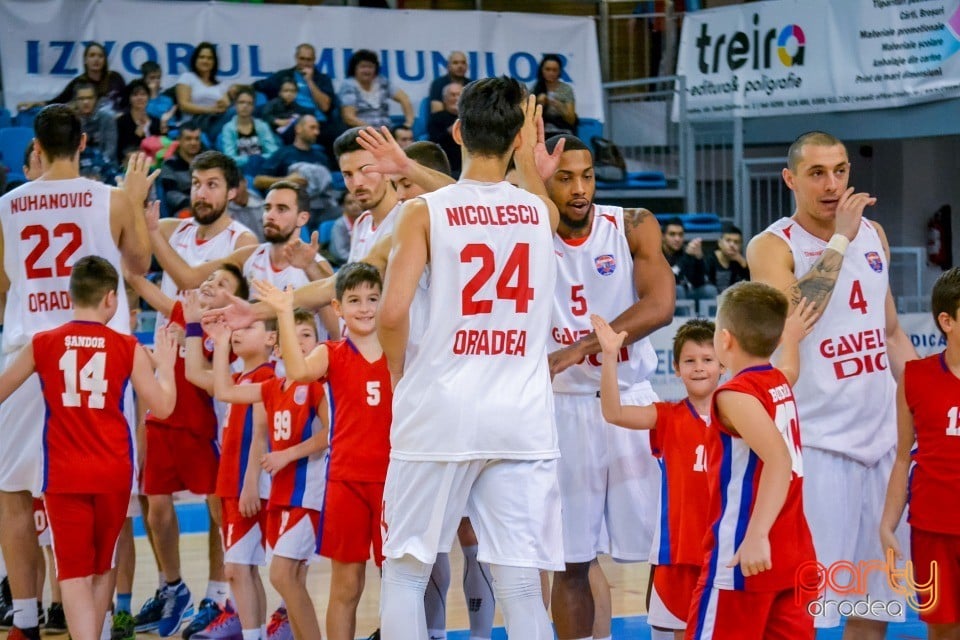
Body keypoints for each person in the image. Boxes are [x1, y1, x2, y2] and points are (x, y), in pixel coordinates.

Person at [377, 78, 562, 639]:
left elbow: (390, 314)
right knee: (521, 585)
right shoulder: (541, 215)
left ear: (456, 132)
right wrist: (529, 160)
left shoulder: (423, 212)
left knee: (406, 573)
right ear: (518, 139)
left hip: (442, 407)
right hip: (522, 416)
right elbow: (532, 195)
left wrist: (397, 374)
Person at [746, 131, 917, 640]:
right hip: (817, 448)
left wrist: (926, 404)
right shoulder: (771, 246)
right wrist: (840, 238)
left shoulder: (874, 234)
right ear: (790, 179)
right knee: (808, 609)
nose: (832, 184)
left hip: (881, 445)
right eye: (817, 173)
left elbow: (890, 332)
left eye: (840, 171)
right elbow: (796, 315)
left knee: (873, 604)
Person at [0, 103, 154, 640]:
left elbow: (1, 289)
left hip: (28, 351)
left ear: (35, 147)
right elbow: (138, 266)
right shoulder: (110, 198)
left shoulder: (8, 205)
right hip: (100, 356)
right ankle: (104, 619)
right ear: (85, 143)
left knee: (14, 492)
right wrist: (134, 205)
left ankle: (24, 617)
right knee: (109, 491)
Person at [539, 133, 673, 640]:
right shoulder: (527, 230)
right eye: (565, 177)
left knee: (666, 551)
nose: (579, 188)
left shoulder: (632, 223)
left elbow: (659, 305)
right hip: (563, 408)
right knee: (570, 560)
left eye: (588, 175)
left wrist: (581, 348)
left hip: (632, 402)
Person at [0, 257, 177, 640]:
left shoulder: (42, 343)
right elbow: (163, 407)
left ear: (72, 295)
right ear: (111, 299)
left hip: (64, 474)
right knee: (102, 568)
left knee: (74, 575)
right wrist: (166, 366)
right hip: (113, 472)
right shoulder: (127, 346)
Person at [260, 263, 390, 640]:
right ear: (338, 307)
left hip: (393, 481)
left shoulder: (401, 350)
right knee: (346, 586)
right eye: (354, 300)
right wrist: (284, 312)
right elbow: (298, 371)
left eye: (372, 299)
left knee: (399, 585)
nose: (364, 308)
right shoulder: (331, 352)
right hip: (346, 481)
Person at [684, 281, 816, 639]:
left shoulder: (733, 396)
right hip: (794, 553)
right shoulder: (776, 381)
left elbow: (778, 461)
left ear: (724, 340)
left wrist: (756, 534)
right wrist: (791, 340)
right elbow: (790, 370)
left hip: (746, 554)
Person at [126, 265, 251, 638]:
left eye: (223, 283)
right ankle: (175, 586)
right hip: (161, 423)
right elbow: (143, 285)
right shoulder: (182, 311)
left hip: (200, 430)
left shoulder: (227, 331)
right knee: (157, 510)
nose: (212, 284)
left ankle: (224, 591)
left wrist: (192, 333)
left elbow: (210, 375)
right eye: (210, 279)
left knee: (217, 507)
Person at [208, 306, 329, 640]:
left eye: (308, 336)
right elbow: (224, 392)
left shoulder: (319, 386)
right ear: (280, 347)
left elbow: (330, 434)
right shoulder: (273, 388)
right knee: (287, 579)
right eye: (297, 335)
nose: (301, 343)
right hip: (282, 494)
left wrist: (287, 454)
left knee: (282, 575)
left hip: (310, 492)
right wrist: (220, 344)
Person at [594, 317, 717, 640]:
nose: (699, 368)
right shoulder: (667, 416)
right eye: (690, 361)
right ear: (676, 368)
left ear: (723, 364)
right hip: (677, 554)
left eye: (707, 359)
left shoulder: (738, 417)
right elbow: (614, 413)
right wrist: (609, 356)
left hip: (724, 551)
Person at [146, 181, 337, 339]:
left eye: (282, 209)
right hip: (246, 374)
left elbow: (337, 331)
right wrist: (153, 233)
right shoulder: (246, 256)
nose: (270, 215)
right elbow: (188, 278)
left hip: (297, 377)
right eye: (267, 208)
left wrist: (309, 267)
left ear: (302, 218)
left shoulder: (317, 265)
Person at [187, 306, 277, 640]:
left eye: (248, 326)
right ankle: (256, 634)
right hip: (233, 482)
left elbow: (261, 436)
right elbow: (195, 373)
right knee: (239, 569)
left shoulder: (269, 377)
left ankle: (280, 627)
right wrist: (196, 325)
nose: (238, 331)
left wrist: (251, 482)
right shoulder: (236, 380)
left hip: (253, 484)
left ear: (271, 338)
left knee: (259, 570)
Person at [880, 266, 960, 639]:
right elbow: (901, 458)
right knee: (943, 630)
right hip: (932, 530)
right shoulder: (915, 377)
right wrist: (887, 524)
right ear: (947, 320)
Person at [334, 127, 401, 263]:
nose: (357, 183)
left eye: (365, 170)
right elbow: (350, 281)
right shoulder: (362, 222)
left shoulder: (410, 218)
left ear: (389, 170)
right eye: (348, 175)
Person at [253, 44, 338, 137]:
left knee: (337, 134)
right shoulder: (283, 75)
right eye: (302, 59)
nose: (305, 63)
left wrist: (309, 81)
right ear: (296, 58)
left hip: (318, 121)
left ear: (314, 60)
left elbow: (325, 106)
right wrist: (238, 89)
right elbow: (259, 85)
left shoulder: (323, 79)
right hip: (292, 120)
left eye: (309, 60)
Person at [19, 42, 126, 114]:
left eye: (100, 56)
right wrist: (35, 103)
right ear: (85, 60)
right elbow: (58, 101)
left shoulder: (115, 78)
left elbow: (127, 101)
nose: (96, 59)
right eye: (92, 55)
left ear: (105, 60)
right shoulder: (79, 83)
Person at [338, 50, 414, 130]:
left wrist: (408, 124)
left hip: (386, 130)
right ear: (354, 69)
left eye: (370, 67)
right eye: (363, 67)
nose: (367, 70)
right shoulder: (349, 85)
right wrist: (373, 131)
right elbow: (349, 118)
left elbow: (404, 98)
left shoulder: (382, 82)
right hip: (360, 133)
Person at [253, 115, 330, 193]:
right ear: (298, 129)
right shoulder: (283, 153)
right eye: (312, 127)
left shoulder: (321, 157)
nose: (317, 132)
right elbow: (258, 181)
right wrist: (286, 181)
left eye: (318, 128)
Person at [176, 43, 235, 138]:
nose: (205, 61)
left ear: (214, 62)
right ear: (195, 59)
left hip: (216, 121)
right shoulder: (187, 77)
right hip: (194, 124)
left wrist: (222, 105)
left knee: (237, 111)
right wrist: (210, 110)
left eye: (209, 58)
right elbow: (183, 105)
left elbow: (226, 105)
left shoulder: (220, 85)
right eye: (202, 57)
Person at [661, 217, 715, 314]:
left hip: (687, 294)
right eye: (672, 234)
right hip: (662, 298)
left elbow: (699, 282)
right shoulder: (657, 254)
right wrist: (686, 256)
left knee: (710, 290)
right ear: (663, 236)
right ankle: (685, 324)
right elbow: (671, 279)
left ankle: (711, 326)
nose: (677, 239)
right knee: (678, 289)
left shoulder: (687, 253)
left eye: (680, 235)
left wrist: (699, 258)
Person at [221, 86, 279, 171]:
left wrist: (258, 159)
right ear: (235, 105)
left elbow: (273, 152)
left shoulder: (262, 126)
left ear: (253, 107)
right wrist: (251, 159)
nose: (245, 106)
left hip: (262, 167)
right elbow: (230, 158)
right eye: (241, 102)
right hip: (239, 171)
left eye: (249, 103)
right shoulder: (228, 128)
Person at [159, 122, 206, 217]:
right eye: (188, 139)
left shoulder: (208, 161)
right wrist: (194, 204)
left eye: (197, 139)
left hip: (208, 204)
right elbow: (171, 194)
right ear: (179, 140)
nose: (193, 143)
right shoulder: (169, 164)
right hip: (184, 208)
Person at [72, 82, 118, 179]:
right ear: (75, 101)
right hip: (79, 169)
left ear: (96, 99)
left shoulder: (107, 118)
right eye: (81, 99)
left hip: (105, 167)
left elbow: (110, 150)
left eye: (89, 98)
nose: (86, 102)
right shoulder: (71, 121)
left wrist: (96, 169)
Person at [116, 79, 167, 164]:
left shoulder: (156, 121)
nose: (140, 98)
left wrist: (164, 132)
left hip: (156, 163)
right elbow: (121, 150)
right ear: (129, 98)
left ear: (148, 97)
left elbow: (163, 146)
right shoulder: (122, 122)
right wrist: (137, 135)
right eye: (135, 95)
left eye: (143, 94)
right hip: (132, 164)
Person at [531, 54, 577, 135]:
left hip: (562, 131)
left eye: (554, 70)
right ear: (542, 70)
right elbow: (529, 117)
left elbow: (571, 120)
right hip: (541, 132)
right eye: (548, 69)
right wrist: (538, 104)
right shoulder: (535, 89)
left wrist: (559, 107)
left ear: (559, 71)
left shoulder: (566, 90)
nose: (551, 73)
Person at [260, 79, 315, 146]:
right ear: (280, 93)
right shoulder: (273, 104)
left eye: (293, 91)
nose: (289, 94)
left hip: (291, 135)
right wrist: (278, 121)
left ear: (296, 93)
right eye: (286, 91)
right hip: (273, 133)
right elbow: (264, 116)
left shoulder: (297, 107)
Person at [427, 83, 463, 177]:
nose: (456, 98)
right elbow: (433, 143)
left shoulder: (472, 118)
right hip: (446, 166)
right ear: (444, 99)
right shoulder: (436, 118)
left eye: (459, 95)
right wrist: (448, 132)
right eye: (453, 95)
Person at [704, 222, 749, 293]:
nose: (732, 245)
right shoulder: (709, 260)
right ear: (719, 243)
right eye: (728, 240)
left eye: (736, 242)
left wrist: (743, 263)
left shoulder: (739, 262)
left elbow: (751, 283)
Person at [328, 191, 362, 266]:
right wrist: (359, 260)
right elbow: (339, 253)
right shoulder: (339, 225)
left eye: (358, 202)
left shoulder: (367, 221)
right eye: (350, 203)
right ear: (343, 206)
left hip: (361, 262)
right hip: (344, 264)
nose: (355, 206)